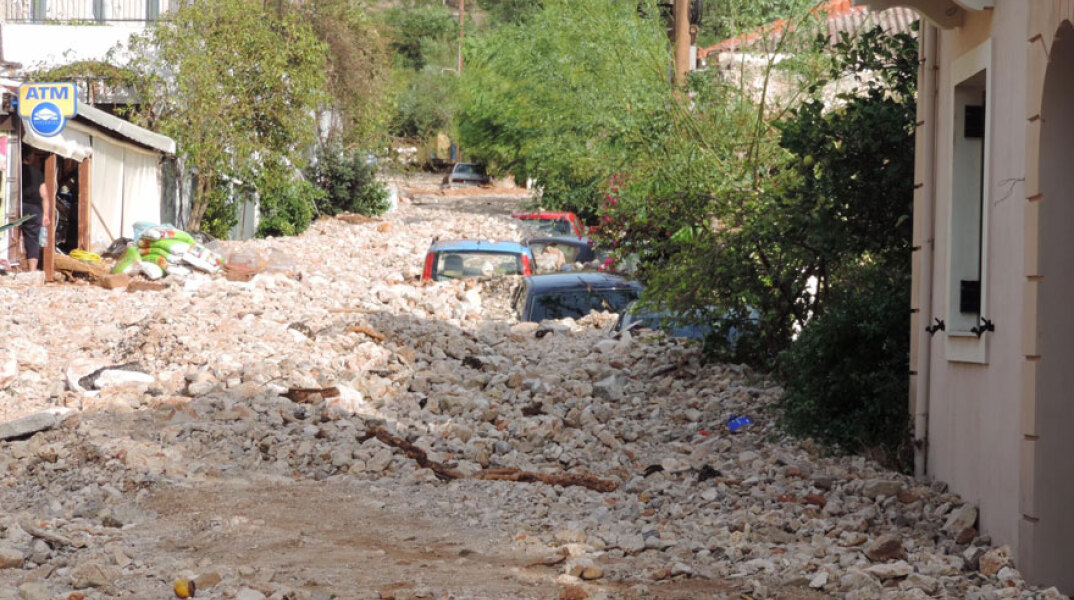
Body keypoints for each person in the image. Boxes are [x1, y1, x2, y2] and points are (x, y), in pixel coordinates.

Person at [20, 149, 48, 271]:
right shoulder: (37, 173)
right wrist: (46, 214)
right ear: (30, 156)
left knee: (10, 234)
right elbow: (44, 194)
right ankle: (32, 270)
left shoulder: (14, 170)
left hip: (17, 206)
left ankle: (10, 264)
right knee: (32, 238)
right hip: (34, 209)